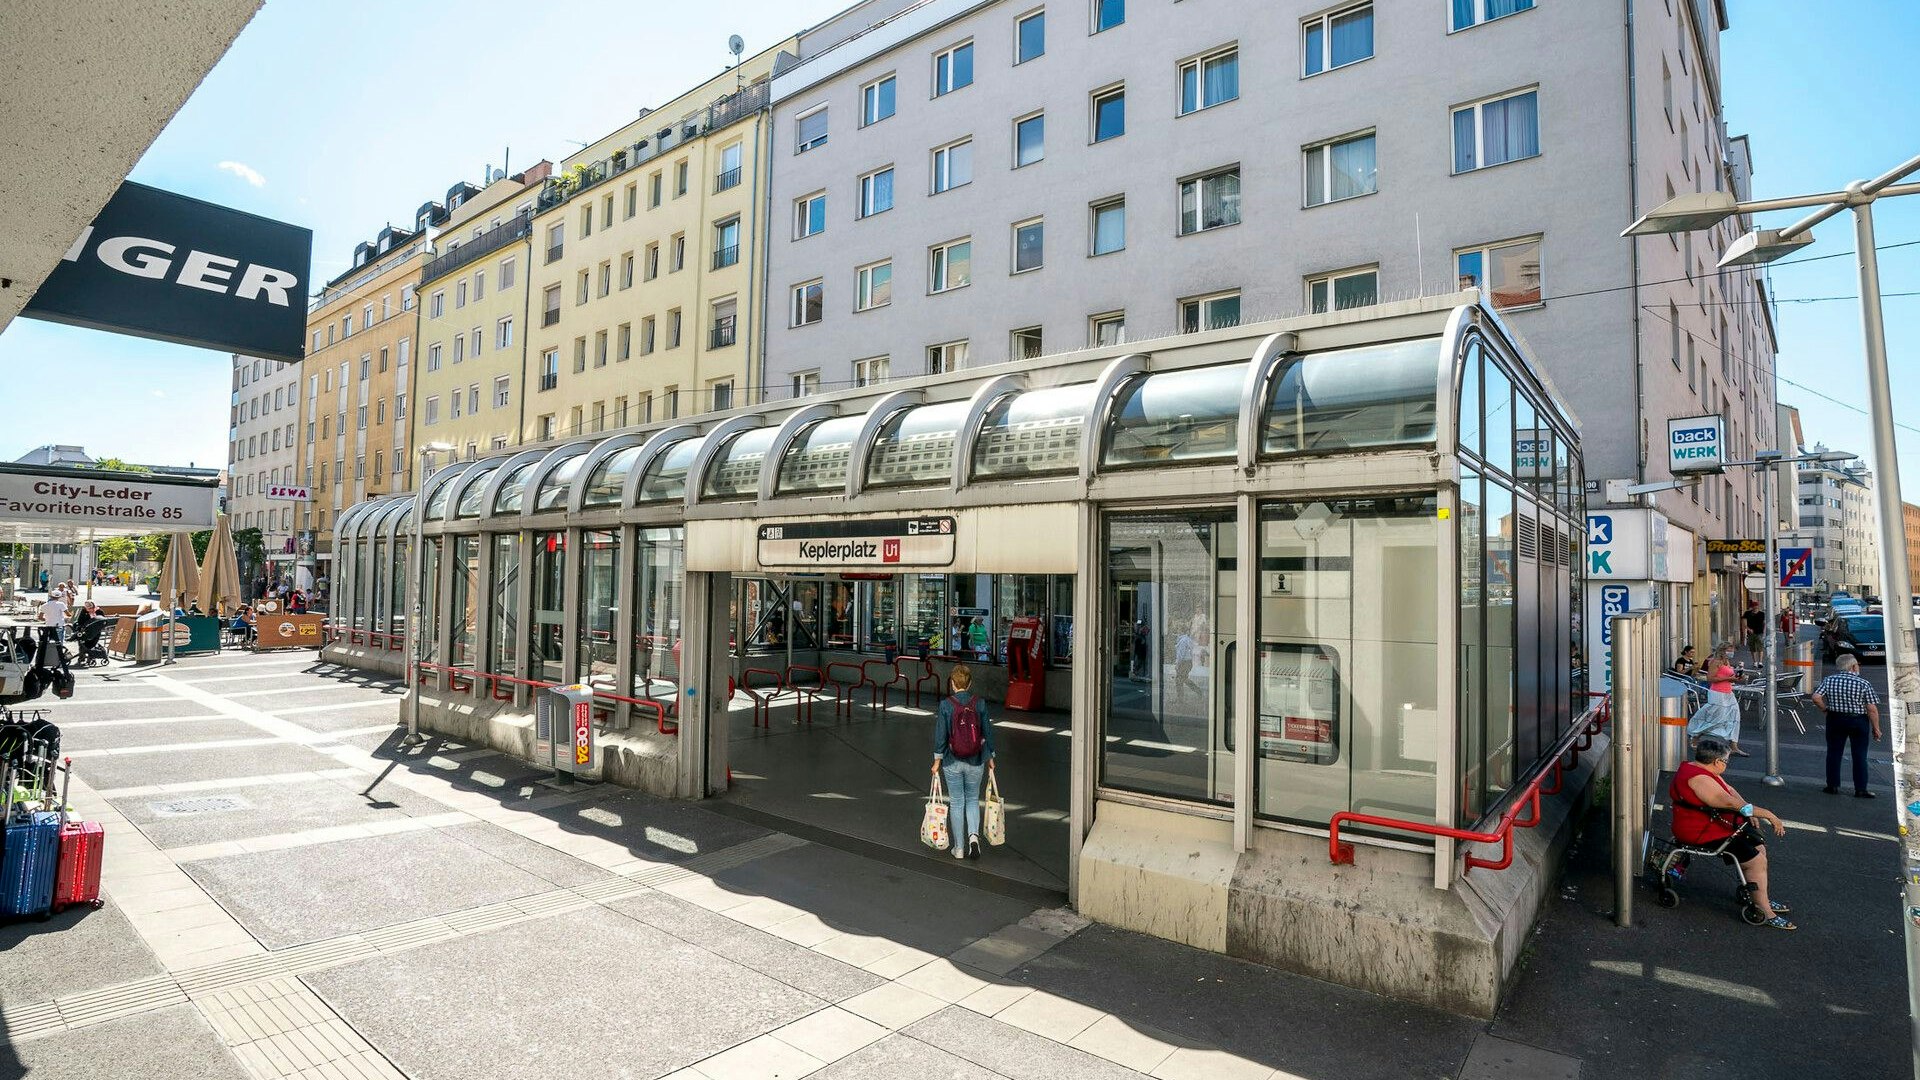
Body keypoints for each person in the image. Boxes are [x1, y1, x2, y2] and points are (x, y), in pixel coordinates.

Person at [1670, 736, 1793, 930]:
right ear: (1718, 762)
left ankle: (1756, 895)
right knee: (1756, 860)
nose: (1726, 765)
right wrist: (1768, 815)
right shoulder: (1700, 780)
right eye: (1726, 761)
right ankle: (1764, 909)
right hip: (1701, 832)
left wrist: (1748, 809)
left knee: (1757, 847)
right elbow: (1728, 802)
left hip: (1708, 826)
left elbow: (1730, 791)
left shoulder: (1697, 768)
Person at [932, 663, 995, 861]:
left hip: (952, 761)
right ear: (969, 684)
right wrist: (990, 757)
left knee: (957, 802)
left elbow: (941, 736)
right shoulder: (980, 704)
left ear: (952, 684)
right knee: (973, 799)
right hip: (976, 760)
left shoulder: (945, 705)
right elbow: (987, 733)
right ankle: (973, 838)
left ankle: (958, 848)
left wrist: (937, 761)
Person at [1812, 653, 1881, 797]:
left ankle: (1832, 786)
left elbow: (1816, 697)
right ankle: (1860, 789)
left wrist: (1825, 709)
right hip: (1858, 721)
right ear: (1853, 666)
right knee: (1860, 755)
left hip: (1835, 719)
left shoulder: (1829, 680)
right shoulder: (1863, 683)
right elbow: (1871, 709)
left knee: (1834, 753)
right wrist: (1876, 728)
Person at [1687, 645, 1746, 756]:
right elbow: (1710, 678)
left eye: (1732, 650)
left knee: (1735, 718)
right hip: (1718, 694)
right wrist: (1729, 679)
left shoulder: (1727, 662)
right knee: (1715, 719)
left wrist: (1738, 678)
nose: (1731, 652)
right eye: (1729, 650)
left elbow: (1731, 676)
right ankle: (1695, 736)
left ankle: (1734, 746)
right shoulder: (1715, 662)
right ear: (1722, 650)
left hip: (1728, 693)